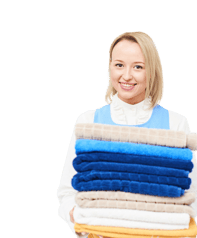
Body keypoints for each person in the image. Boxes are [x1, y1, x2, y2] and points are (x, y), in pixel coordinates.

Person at [56, 31, 197, 238]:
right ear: (109, 67)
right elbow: (68, 192)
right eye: (119, 65)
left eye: (138, 67)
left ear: (152, 71)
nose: (127, 76)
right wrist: (86, 223)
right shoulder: (88, 123)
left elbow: (191, 194)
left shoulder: (174, 125)